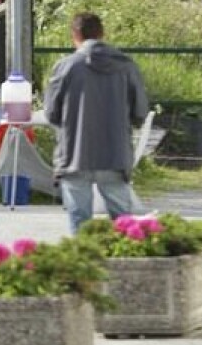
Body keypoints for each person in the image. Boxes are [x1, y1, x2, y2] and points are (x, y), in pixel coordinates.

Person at [45, 13, 149, 234]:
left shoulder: (65, 67)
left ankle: (86, 265)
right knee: (123, 223)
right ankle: (124, 266)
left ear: (75, 35)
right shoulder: (126, 66)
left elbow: (51, 113)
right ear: (102, 34)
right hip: (115, 155)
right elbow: (140, 113)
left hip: (74, 156)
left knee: (79, 221)